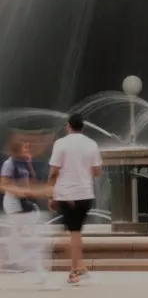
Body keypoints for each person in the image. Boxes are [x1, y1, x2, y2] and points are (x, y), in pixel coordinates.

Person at [48, 113, 102, 285]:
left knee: (73, 234)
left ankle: (74, 271)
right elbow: (97, 172)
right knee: (74, 232)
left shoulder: (61, 144)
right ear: (83, 127)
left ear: (68, 126)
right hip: (86, 194)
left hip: (67, 195)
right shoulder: (92, 144)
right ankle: (81, 266)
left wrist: (51, 193)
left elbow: (54, 171)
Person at [0, 134, 50, 282]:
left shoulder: (23, 163)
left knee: (20, 235)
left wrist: (28, 163)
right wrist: (19, 191)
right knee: (32, 237)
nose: (28, 150)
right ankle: (35, 270)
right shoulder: (10, 163)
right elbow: (3, 185)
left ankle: (9, 260)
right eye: (25, 148)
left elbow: (30, 181)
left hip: (23, 203)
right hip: (14, 204)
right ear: (17, 149)